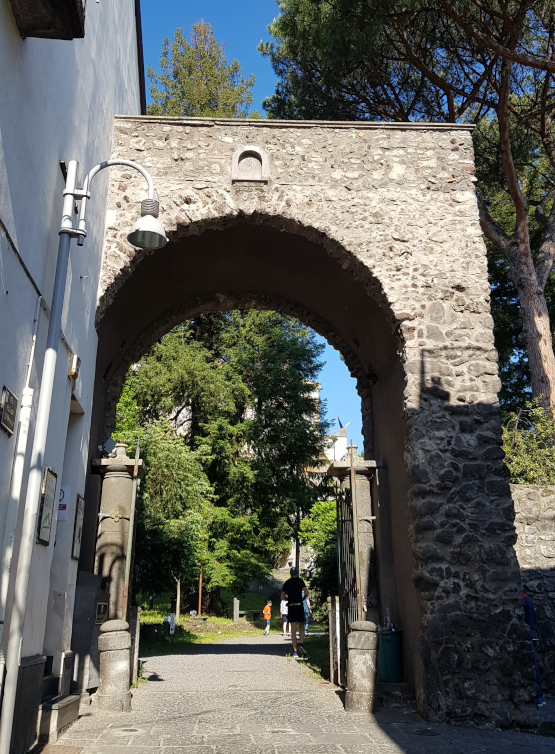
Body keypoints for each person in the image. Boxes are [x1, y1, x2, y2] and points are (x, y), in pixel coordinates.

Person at [523, 591, 545, 707]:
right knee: (534, 666)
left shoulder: (524, 600)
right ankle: (539, 696)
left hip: (528, 633)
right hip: (531, 632)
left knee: (532, 666)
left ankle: (538, 696)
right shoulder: (528, 599)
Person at [281, 567, 308, 660]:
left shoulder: (287, 583)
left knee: (293, 630)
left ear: (290, 573)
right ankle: (301, 643)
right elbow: (306, 592)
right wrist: (302, 598)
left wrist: (288, 599)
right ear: (296, 573)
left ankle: (295, 651)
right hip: (299, 605)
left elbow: (282, 597)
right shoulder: (300, 581)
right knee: (301, 626)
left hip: (291, 606)